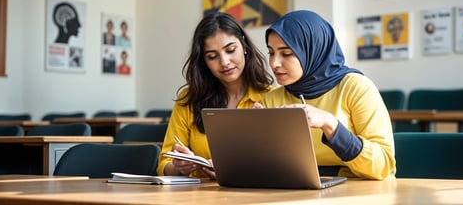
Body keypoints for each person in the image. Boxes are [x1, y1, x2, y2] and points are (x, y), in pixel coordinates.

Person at [254, 10, 395, 180]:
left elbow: (384, 166)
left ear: (313, 50)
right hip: (301, 192)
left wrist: (331, 125)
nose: (274, 63)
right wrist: (254, 149)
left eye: (286, 53)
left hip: (358, 192)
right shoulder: (271, 99)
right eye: (271, 52)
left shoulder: (355, 87)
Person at [157, 12, 273, 179]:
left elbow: (277, 168)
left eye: (231, 50)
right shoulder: (189, 98)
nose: (224, 62)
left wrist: (235, 171)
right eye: (212, 56)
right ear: (204, 62)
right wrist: (178, 168)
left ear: (244, 46)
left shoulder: (269, 96)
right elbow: (164, 164)